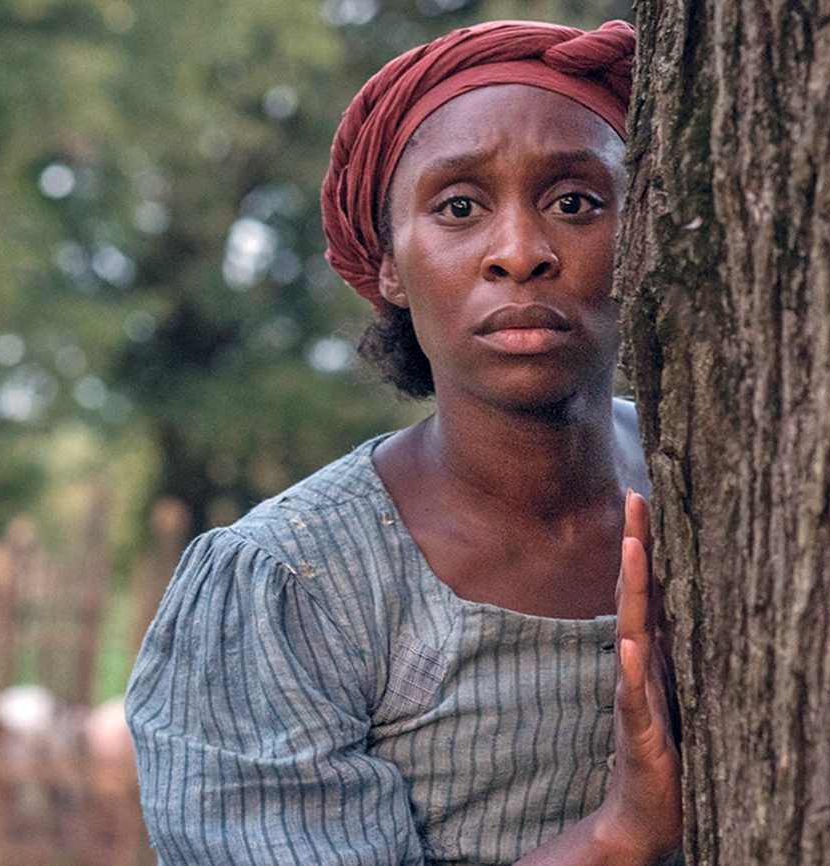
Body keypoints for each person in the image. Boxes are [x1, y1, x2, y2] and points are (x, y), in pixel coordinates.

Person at [126, 19, 682, 866]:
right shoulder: (289, 587)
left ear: (638, 233)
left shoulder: (710, 485)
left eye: (575, 203)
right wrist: (621, 834)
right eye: (459, 207)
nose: (520, 253)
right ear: (388, 261)